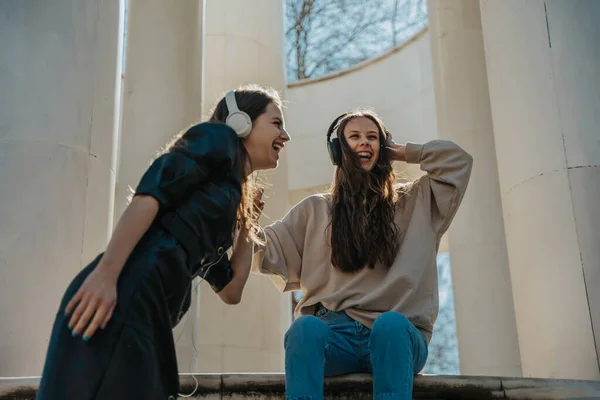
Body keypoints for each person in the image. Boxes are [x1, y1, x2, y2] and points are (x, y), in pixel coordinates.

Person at [36, 85, 290, 400]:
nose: (286, 136)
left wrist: (248, 223)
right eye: (277, 123)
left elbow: (231, 291)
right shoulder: (218, 138)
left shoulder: (223, 195)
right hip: (124, 295)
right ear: (242, 123)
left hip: (150, 312)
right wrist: (106, 275)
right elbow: (151, 195)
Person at [250, 110, 472, 400]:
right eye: (354, 137)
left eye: (373, 137)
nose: (365, 143)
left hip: (396, 338)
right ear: (338, 150)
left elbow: (457, 162)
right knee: (304, 329)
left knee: (390, 326)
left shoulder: (417, 202)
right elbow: (264, 252)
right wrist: (246, 221)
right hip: (334, 336)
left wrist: (400, 152)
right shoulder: (315, 210)